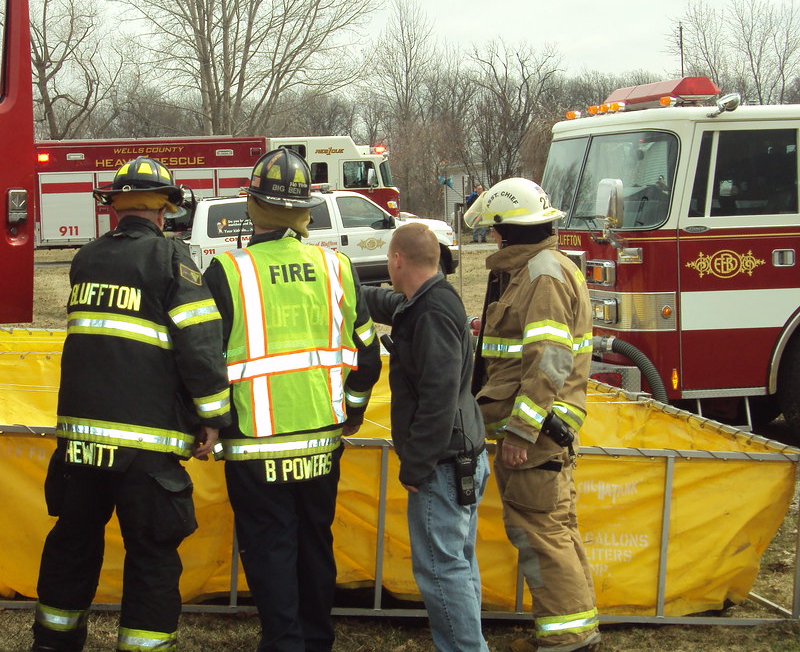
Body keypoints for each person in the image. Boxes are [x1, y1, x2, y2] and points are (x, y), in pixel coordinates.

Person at [31, 156, 231, 652]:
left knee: (72, 543)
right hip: (144, 447)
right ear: (164, 210)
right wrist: (213, 416)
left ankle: (53, 642)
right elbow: (201, 348)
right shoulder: (172, 260)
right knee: (152, 553)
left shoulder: (86, 259)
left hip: (81, 445)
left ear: (115, 207)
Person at [203, 148, 381, 652]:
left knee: (269, 550)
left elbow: (204, 362)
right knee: (314, 543)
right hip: (322, 443)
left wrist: (211, 422)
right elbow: (368, 358)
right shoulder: (336, 267)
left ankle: (283, 642)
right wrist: (351, 412)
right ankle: (316, 640)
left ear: (252, 206)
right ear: (308, 210)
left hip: (256, 448)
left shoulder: (227, 271)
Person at [464, 178, 599, 652]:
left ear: (507, 230)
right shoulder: (540, 270)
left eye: (493, 232)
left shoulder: (541, 277)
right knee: (555, 528)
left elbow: (549, 361)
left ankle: (568, 640)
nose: (490, 241)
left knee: (540, 533)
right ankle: (576, 629)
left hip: (536, 435)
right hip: (542, 431)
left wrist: (521, 432)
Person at [362, 222, 489, 652]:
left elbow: (437, 398)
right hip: (460, 456)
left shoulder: (432, 313)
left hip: (442, 465)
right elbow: (388, 301)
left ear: (397, 259)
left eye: (387, 260)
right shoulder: (431, 298)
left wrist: (416, 464)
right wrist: (341, 284)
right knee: (458, 564)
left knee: (441, 570)